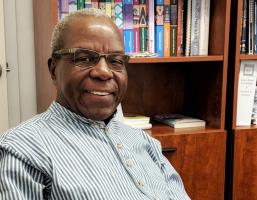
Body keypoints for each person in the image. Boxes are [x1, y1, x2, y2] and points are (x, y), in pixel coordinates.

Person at [0, 8, 190, 200]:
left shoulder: (146, 143)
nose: (104, 72)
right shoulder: (21, 150)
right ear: (53, 69)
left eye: (116, 61)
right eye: (84, 58)